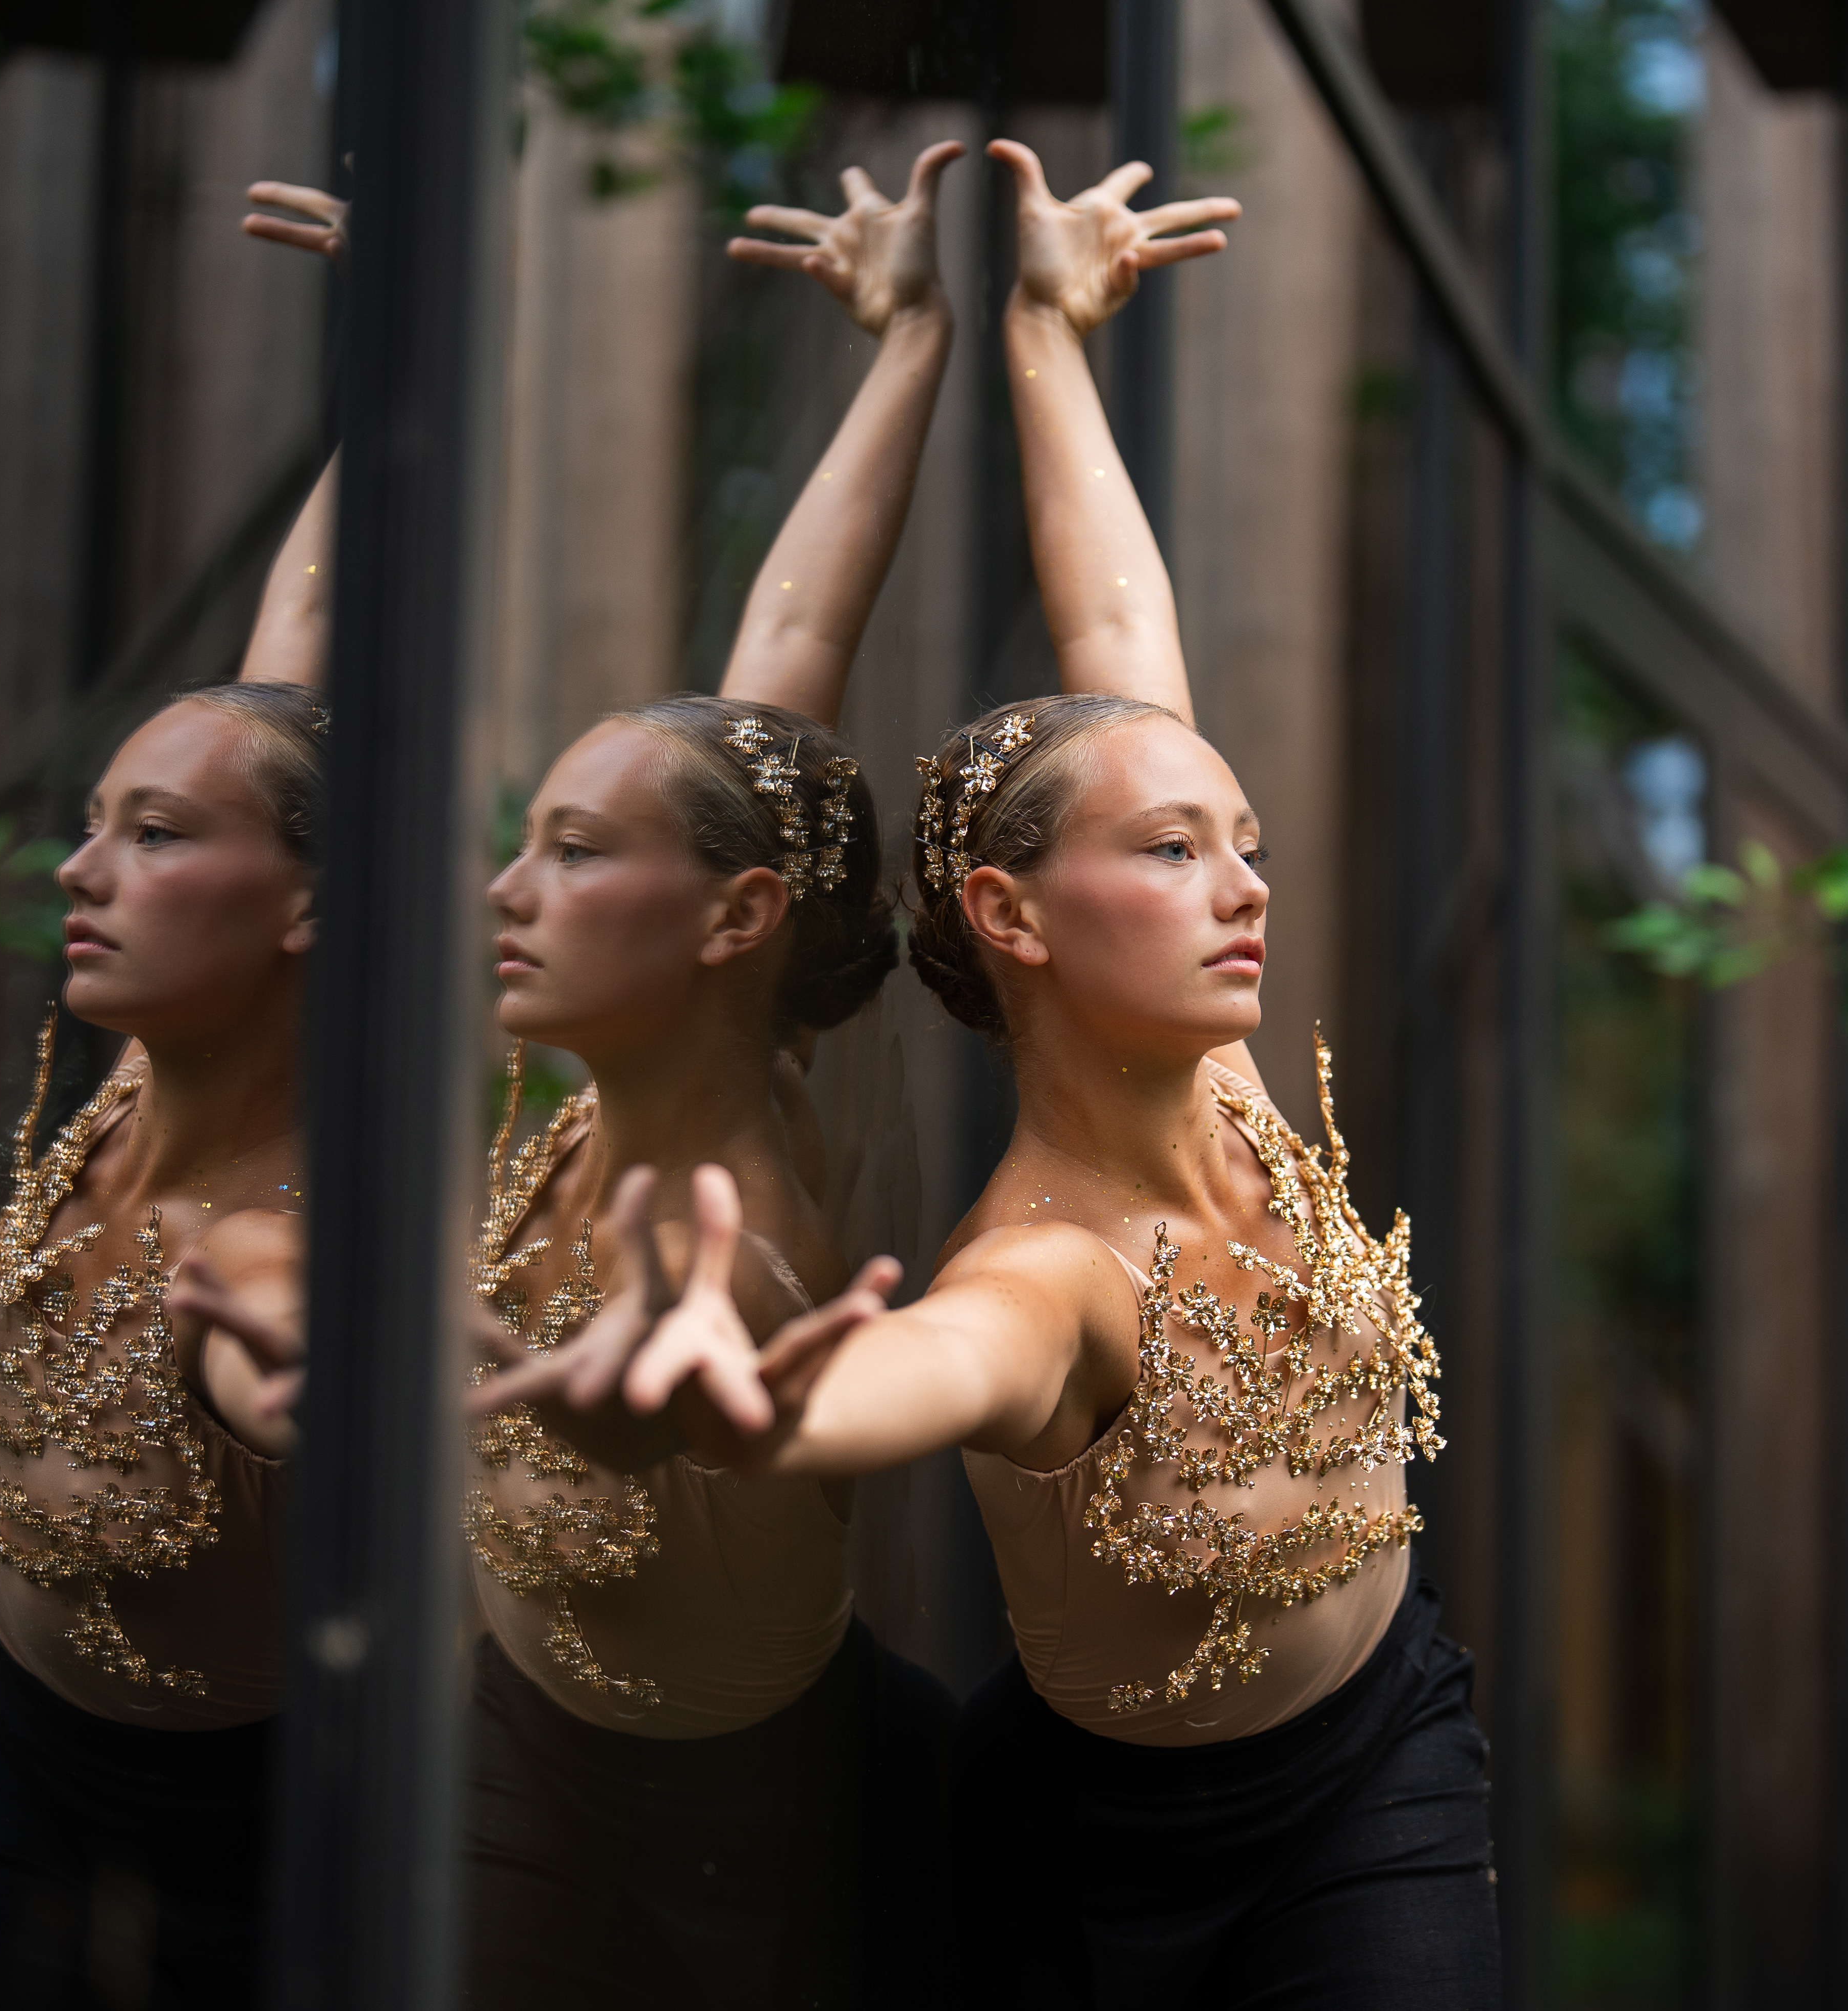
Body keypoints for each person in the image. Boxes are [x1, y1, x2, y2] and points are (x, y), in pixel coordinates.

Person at [486, 143, 1502, 2011]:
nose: (1248, 883)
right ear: (1012, 914)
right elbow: (917, 1369)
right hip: (1083, 1854)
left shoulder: (1239, 1092)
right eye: (1178, 852)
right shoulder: (1037, 1272)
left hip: (1383, 1754)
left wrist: (1037, 326)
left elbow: (1110, 648)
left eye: (1243, 839)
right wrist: (753, 1411)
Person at [176, 146, 968, 2008]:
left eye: (575, 854)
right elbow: (289, 694)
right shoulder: (567, 1110)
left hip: (800, 1810)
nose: (503, 893)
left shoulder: (753, 1191)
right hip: (519, 1749)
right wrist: (908, 336)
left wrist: (666, 1384)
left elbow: (687, 1379)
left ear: (738, 916)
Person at [0, 185, 346, 2011]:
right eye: (90, 825)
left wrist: (318, 1394)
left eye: (150, 836)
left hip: (256, 1809)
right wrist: (381, 370)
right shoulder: (141, 1074)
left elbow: (289, 1358)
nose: (80, 870)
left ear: (312, 900)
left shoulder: (288, 1227)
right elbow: (294, 650)